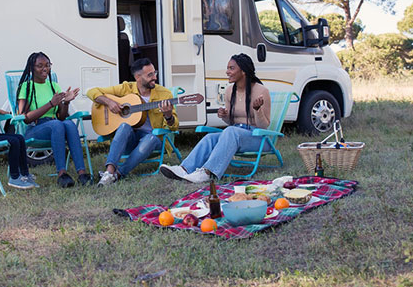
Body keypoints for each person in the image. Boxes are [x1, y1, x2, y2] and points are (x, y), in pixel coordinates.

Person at [160, 53, 271, 182]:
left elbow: (264, 126)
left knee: (230, 131)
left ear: (244, 71)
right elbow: (232, 123)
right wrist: (225, 116)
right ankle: (184, 169)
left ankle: (207, 172)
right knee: (210, 137)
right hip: (236, 134)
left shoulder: (261, 91)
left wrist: (257, 110)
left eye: (231, 68)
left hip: (258, 139)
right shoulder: (230, 91)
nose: (227, 72)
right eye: (228, 68)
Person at [87, 58, 179, 186]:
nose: (155, 78)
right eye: (150, 75)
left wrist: (168, 115)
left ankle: (118, 175)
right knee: (124, 125)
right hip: (130, 139)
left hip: (152, 140)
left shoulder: (164, 94)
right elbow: (91, 91)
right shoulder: (126, 88)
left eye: (154, 73)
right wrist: (109, 102)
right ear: (138, 77)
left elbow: (174, 127)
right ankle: (109, 171)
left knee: (151, 138)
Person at [17, 52, 92, 188]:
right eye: (40, 66)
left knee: (68, 123)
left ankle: (82, 173)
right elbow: (25, 117)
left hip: (54, 125)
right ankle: (62, 174)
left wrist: (66, 103)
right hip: (35, 128)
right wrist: (50, 104)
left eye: (47, 65)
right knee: (57, 125)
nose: (45, 69)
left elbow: (61, 116)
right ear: (32, 68)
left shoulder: (54, 86)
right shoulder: (26, 87)